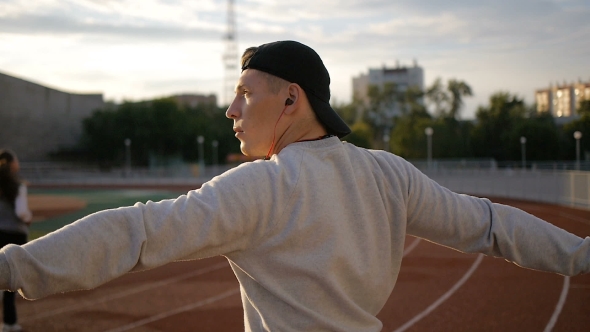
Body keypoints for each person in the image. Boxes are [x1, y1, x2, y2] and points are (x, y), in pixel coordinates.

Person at [0, 41, 589, 332]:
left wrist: (14, 269)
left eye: (245, 92)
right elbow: (490, 225)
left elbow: (136, 232)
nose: (231, 110)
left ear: (291, 99)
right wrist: (583, 256)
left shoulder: (263, 188)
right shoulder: (388, 172)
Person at [0, 150, 32, 332]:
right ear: (12, 164)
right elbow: (21, 213)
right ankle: (9, 323)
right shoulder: (18, 186)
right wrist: (28, 218)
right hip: (15, 235)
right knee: (12, 280)